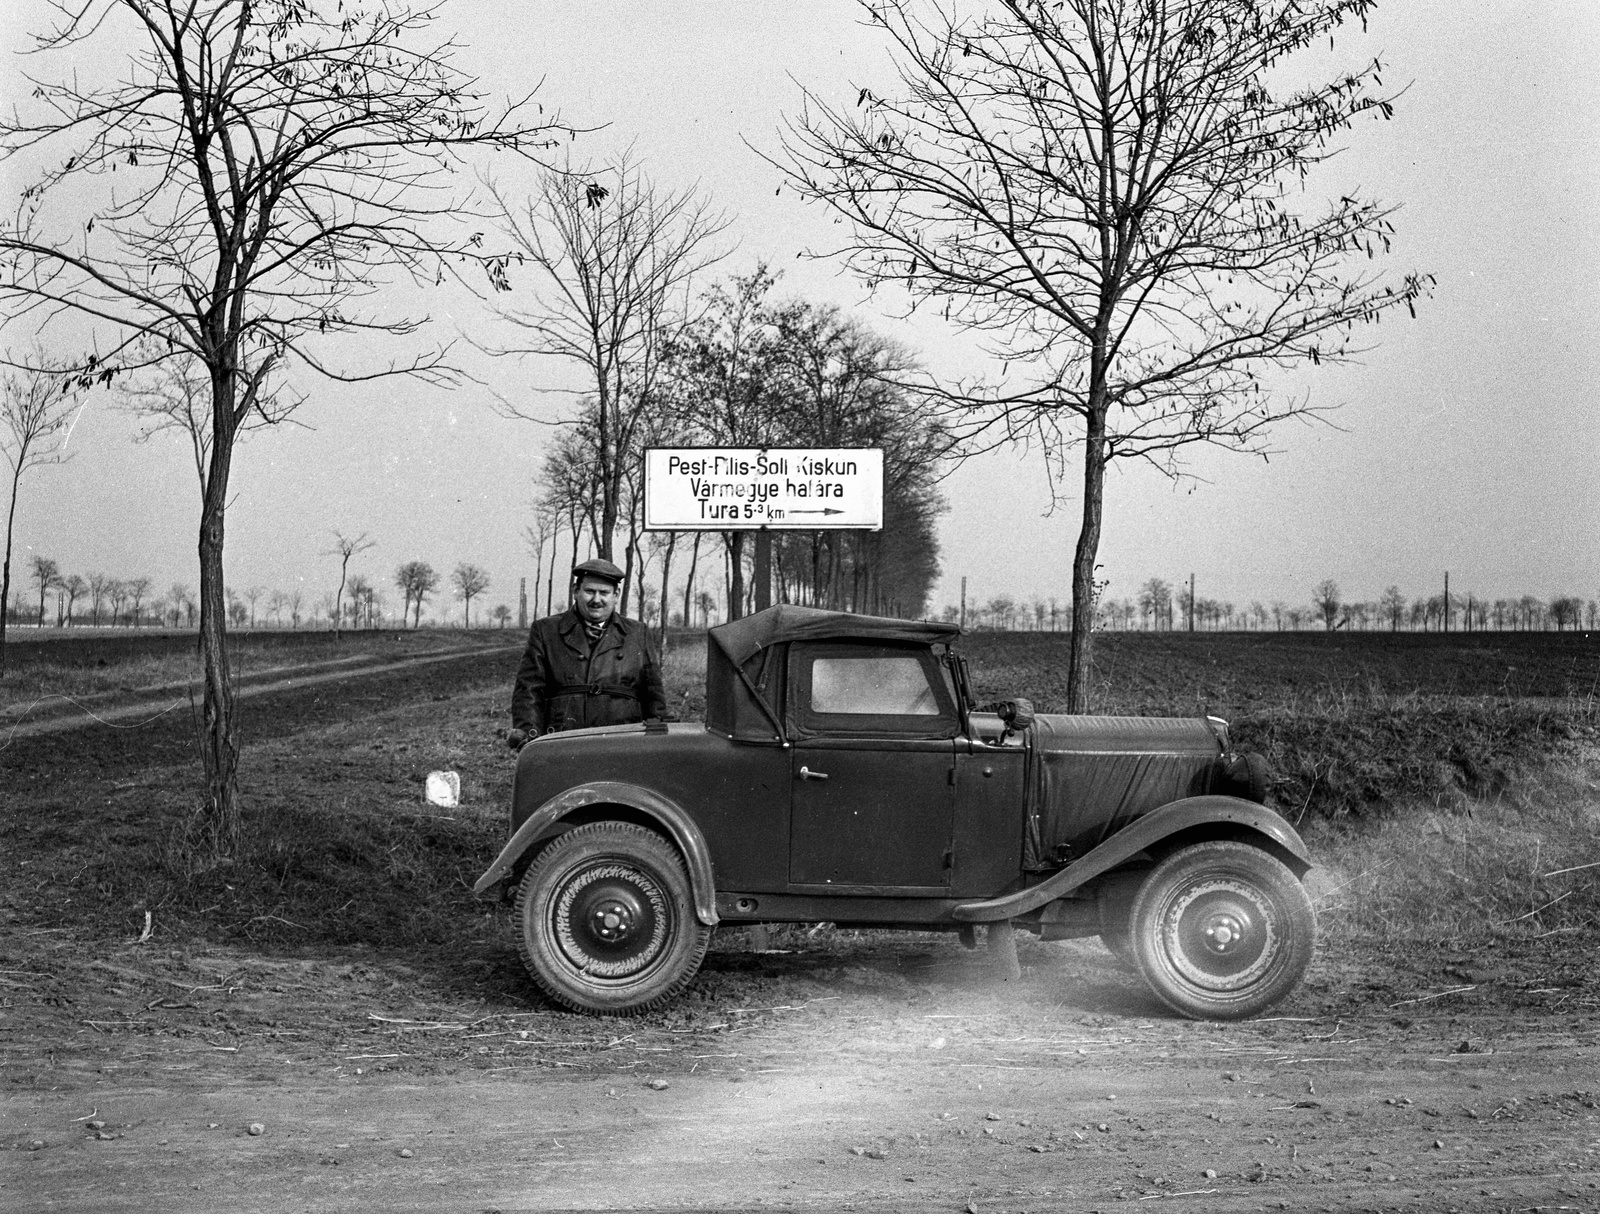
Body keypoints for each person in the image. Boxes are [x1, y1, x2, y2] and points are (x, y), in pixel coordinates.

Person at [507, 557, 667, 749]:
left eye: (604, 593)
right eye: (590, 591)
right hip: (562, 738)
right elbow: (529, 691)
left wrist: (659, 741)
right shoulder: (546, 631)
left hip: (623, 739)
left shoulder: (637, 633)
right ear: (576, 591)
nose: (596, 600)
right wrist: (529, 738)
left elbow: (653, 693)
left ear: (616, 595)